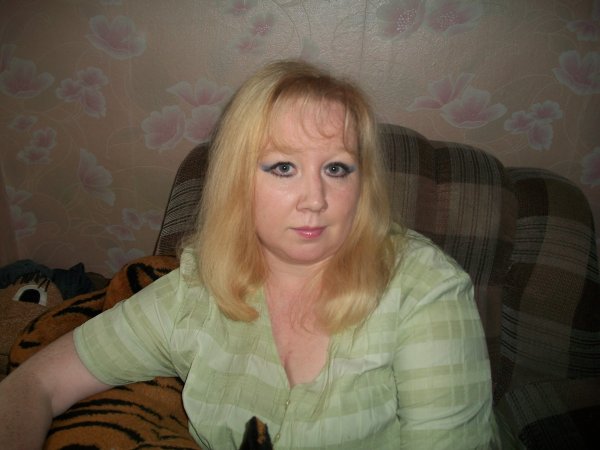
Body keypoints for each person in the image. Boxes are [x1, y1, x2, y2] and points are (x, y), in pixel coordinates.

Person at [0, 60, 498, 449]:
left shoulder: (423, 288)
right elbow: (36, 384)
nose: (315, 199)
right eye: (283, 167)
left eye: (337, 169)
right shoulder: (195, 292)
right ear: (237, 180)